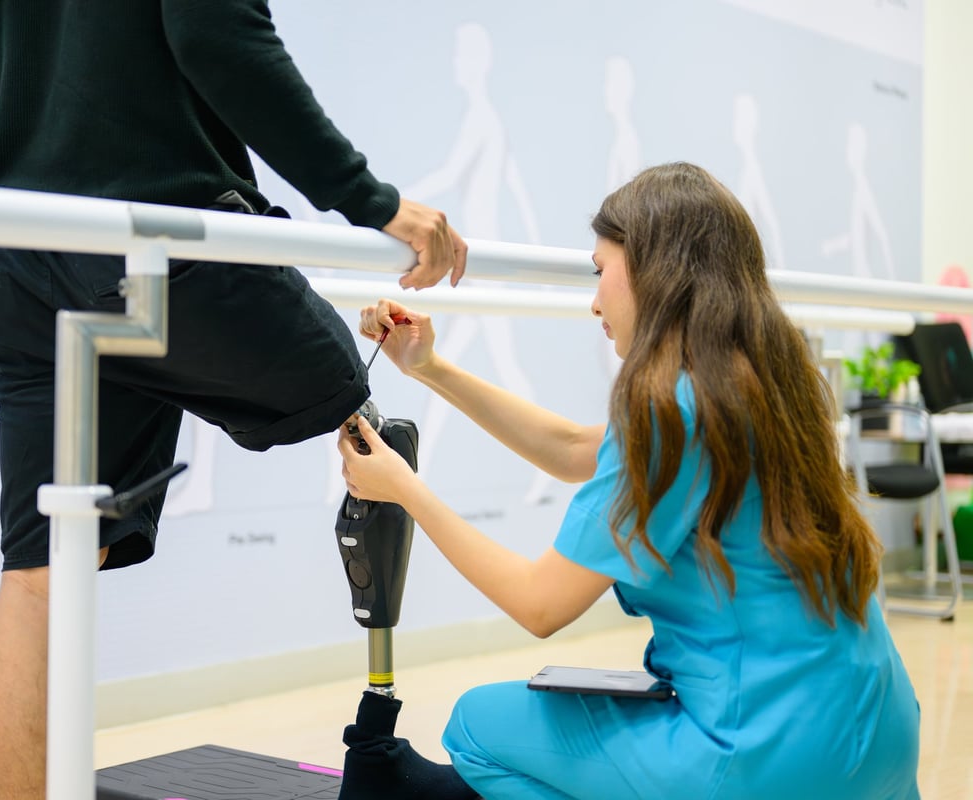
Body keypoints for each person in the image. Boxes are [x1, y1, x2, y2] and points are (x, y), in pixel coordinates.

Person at [0, 2, 467, 797]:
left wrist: (39, 205)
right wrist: (374, 202)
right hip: (160, 246)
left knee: (38, 574)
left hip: (24, 258)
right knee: (351, 402)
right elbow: (221, 40)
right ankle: (380, 741)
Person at [338, 162, 921, 799]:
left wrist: (403, 489)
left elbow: (540, 605)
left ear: (653, 271)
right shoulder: (760, 382)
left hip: (768, 755)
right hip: (880, 729)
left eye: (599, 271)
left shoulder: (671, 409)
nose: (594, 300)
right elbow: (573, 449)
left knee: (475, 725)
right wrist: (429, 368)